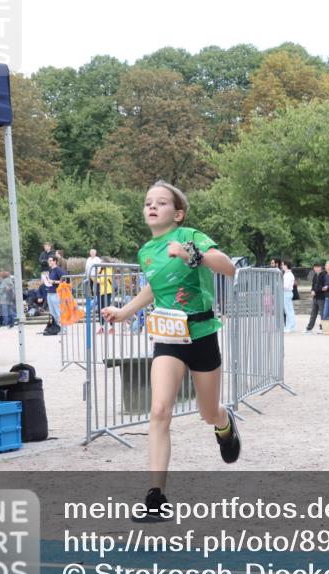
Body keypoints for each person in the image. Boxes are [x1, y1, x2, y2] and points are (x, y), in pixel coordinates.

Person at [101, 180, 240, 521]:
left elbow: (228, 266)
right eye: (148, 202)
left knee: (207, 412)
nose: (152, 206)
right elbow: (155, 286)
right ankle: (155, 497)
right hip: (169, 338)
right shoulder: (146, 251)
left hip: (202, 333)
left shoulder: (191, 236)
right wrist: (125, 311)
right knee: (160, 410)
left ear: (177, 214)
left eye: (160, 203)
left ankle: (224, 424)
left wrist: (194, 254)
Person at [41, 256, 66, 333]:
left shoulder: (58, 269)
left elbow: (64, 280)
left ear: (55, 261)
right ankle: (56, 328)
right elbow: (51, 281)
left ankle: (63, 329)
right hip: (50, 293)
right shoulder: (51, 270)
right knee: (52, 313)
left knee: (58, 311)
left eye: (50, 260)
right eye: (48, 260)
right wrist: (46, 280)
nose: (49, 262)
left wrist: (53, 282)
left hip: (56, 293)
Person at [304, 262, 326, 334]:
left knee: (322, 314)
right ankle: (309, 328)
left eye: (317, 267)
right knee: (313, 314)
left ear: (320, 267)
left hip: (321, 297)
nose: (315, 269)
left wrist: (315, 291)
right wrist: (312, 291)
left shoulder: (323, 275)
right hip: (315, 297)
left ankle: (323, 328)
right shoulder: (315, 275)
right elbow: (313, 285)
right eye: (314, 267)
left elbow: (322, 287)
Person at [281, 260, 296, 332]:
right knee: (288, 310)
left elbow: (286, 286)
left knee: (288, 311)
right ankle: (289, 326)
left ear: (286, 265)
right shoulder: (287, 274)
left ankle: (290, 327)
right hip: (286, 293)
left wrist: (280, 285)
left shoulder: (288, 274)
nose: (282, 266)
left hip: (287, 292)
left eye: (283, 265)